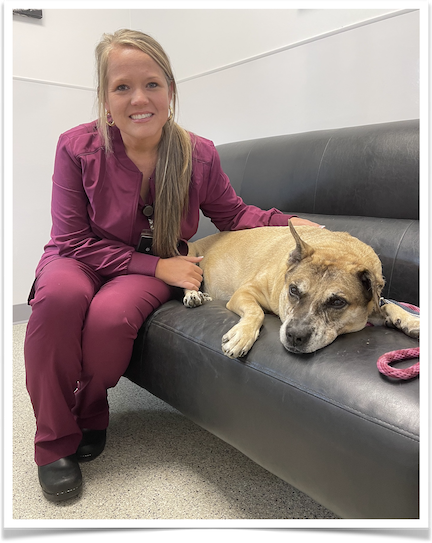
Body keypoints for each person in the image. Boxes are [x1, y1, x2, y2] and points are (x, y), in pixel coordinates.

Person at [24, 29, 321, 502]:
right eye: (122, 87)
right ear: (103, 98)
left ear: (171, 91)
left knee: (108, 321)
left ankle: (90, 406)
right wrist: (158, 268)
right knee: (58, 300)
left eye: (152, 84)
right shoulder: (75, 147)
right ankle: (54, 443)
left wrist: (289, 224)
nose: (138, 98)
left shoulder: (198, 154)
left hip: (151, 266)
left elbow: (233, 215)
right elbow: (72, 238)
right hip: (79, 255)